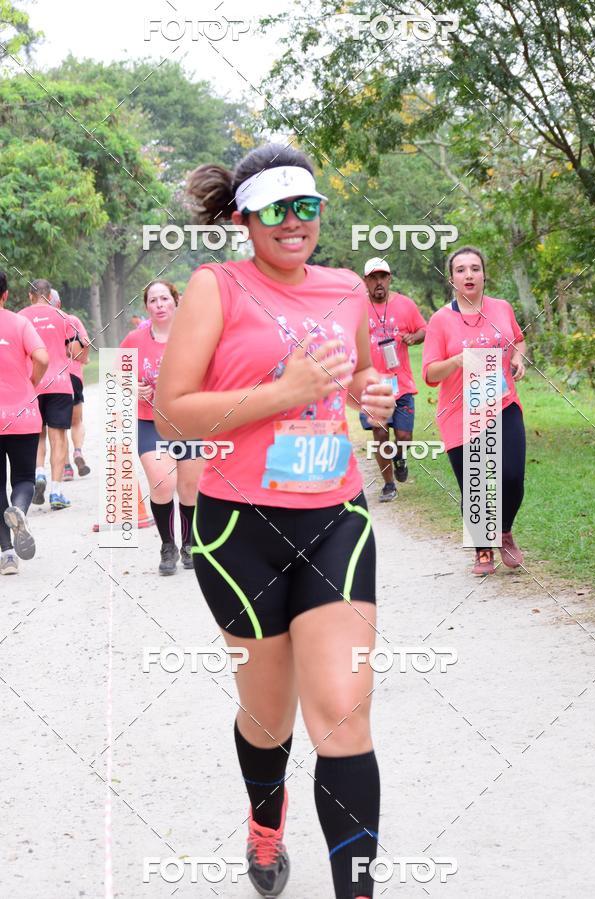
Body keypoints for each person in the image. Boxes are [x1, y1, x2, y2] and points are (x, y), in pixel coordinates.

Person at [155, 143, 395, 899]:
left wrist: (373, 396)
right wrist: (283, 390)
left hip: (335, 520)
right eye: (276, 209)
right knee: (268, 718)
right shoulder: (214, 286)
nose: (295, 222)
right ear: (244, 217)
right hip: (239, 532)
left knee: (343, 716)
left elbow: (358, 375)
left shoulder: (346, 288)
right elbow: (172, 410)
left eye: (307, 206)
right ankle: (265, 821)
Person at [422, 246, 527, 576]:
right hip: (459, 411)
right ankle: (483, 548)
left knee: (511, 477)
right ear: (451, 277)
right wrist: (456, 361)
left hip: (503, 402)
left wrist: (518, 357)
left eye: (475, 268)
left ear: (484, 274)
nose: (469, 275)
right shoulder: (440, 320)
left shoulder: (502, 308)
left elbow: (518, 340)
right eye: (461, 269)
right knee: (476, 483)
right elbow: (429, 373)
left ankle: (504, 531)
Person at [120, 281, 203, 574]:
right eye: (153, 300)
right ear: (147, 307)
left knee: (190, 487)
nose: (159, 304)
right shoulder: (134, 339)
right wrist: (131, 385)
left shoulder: (193, 335)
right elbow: (118, 372)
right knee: (162, 483)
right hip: (150, 421)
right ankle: (168, 545)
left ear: (175, 301)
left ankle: (190, 542)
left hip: (189, 421)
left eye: (164, 298)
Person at [360, 258, 427, 501]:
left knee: (404, 437)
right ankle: (389, 485)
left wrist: (413, 337)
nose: (378, 282)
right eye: (373, 278)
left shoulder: (405, 305)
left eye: (383, 277)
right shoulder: (357, 307)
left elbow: (423, 329)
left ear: (389, 279)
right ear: (365, 281)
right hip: (372, 385)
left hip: (402, 384)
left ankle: (400, 457)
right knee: (379, 434)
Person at [0, 271, 49, 574]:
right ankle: (19, 509)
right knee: (24, 479)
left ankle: (7, 555)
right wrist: (31, 382)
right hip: (23, 414)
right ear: (5, 295)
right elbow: (42, 357)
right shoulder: (19, 322)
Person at [19, 280, 78, 511]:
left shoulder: (21, 317)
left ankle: (39, 474)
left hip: (32, 384)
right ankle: (56, 492)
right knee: (59, 437)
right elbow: (75, 351)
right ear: (49, 295)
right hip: (60, 384)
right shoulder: (64, 317)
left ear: (30, 295)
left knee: (38, 434)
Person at [45, 291, 92, 481]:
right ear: (59, 303)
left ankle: (65, 467)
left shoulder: (37, 324)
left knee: (57, 427)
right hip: (73, 375)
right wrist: (85, 358)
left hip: (50, 379)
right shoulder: (71, 320)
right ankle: (78, 452)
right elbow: (81, 348)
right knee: (76, 420)